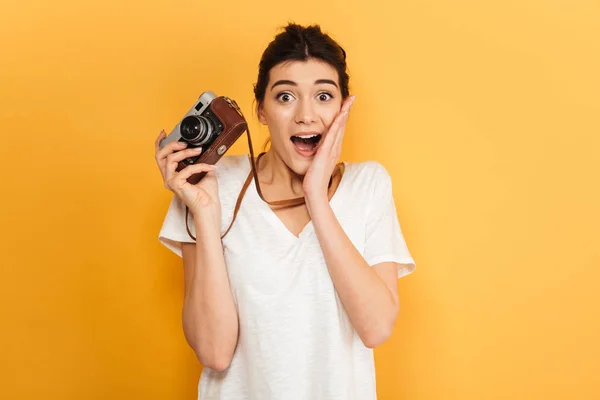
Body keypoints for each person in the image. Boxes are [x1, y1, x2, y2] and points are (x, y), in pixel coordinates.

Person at [154, 22, 416, 400]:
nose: (306, 116)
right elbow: (214, 352)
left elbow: (375, 328)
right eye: (286, 97)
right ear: (261, 110)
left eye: (324, 97)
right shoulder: (213, 182)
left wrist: (317, 197)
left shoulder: (368, 185)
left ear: (343, 108)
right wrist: (206, 215)